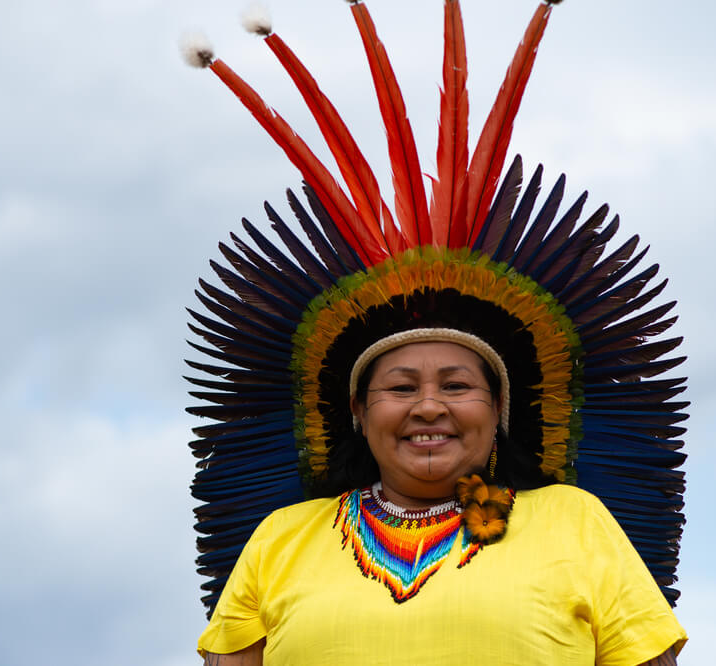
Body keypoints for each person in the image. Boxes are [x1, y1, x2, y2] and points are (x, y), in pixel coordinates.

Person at [184, 1, 689, 663]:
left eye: (456, 384)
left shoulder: (575, 522)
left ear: (499, 409)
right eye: (400, 387)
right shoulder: (283, 538)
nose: (429, 406)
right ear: (359, 413)